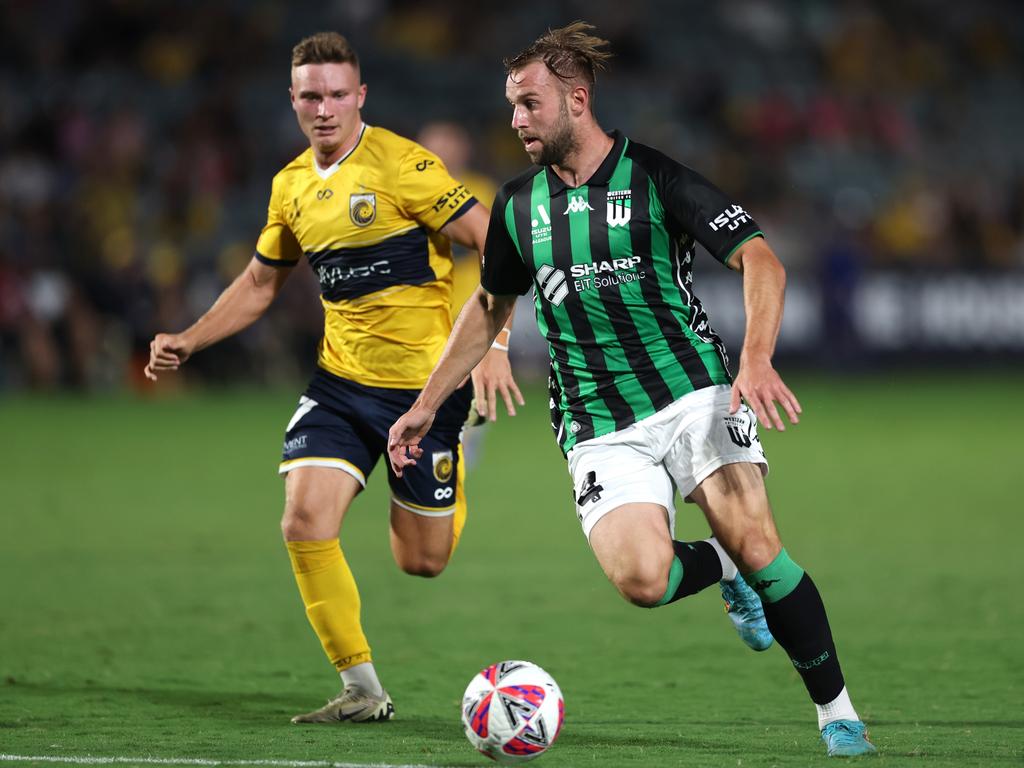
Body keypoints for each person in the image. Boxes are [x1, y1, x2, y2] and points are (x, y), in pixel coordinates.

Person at [388, 22, 875, 758]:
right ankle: (723, 568)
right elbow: (490, 302)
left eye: (529, 104)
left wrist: (757, 360)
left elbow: (761, 262)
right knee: (644, 580)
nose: (516, 119)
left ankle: (838, 714)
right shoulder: (517, 208)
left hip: (693, 392)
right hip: (594, 420)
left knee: (763, 548)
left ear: (576, 100)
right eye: (511, 106)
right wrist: (426, 406)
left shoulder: (654, 177)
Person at [144, 31, 523, 725]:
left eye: (337, 94)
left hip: (426, 392)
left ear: (360, 97)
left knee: (423, 561)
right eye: (311, 96)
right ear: (293, 101)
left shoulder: (405, 166)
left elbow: (498, 237)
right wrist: (189, 340)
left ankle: (452, 456)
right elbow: (261, 283)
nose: (325, 108)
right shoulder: (290, 187)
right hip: (340, 386)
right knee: (303, 520)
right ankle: (362, 687)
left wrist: (495, 340)